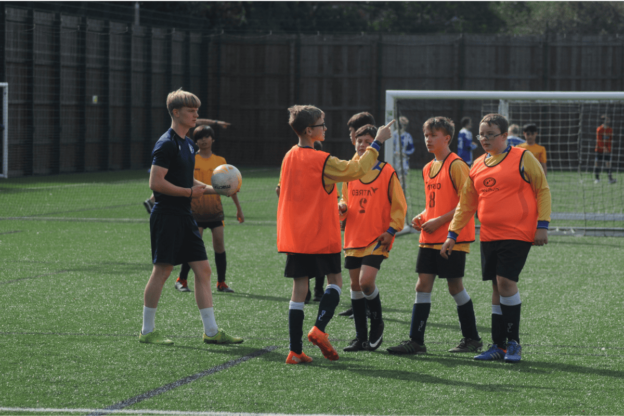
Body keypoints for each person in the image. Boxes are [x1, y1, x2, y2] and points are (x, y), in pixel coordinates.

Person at [277, 104, 394, 364]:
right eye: (322, 124)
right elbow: (357, 170)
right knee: (335, 282)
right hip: (320, 233)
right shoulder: (322, 159)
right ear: (309, 130)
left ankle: (295, 351)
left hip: (294, 235)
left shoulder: (288, 156)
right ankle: (319, 328)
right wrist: (376, 143)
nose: (325, 128)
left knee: (299, 290)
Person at [440, 113, 551, 364]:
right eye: (482, 134)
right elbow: (466, 204)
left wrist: (542, 225)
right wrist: (452, 234)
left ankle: (514, 343)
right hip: (489, 235)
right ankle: (498, 346)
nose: (485, 139)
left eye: (490, 134)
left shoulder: (523, 157)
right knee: (495, 287)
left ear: (504, 136)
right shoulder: (477, 164)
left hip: (518, 232)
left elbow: (542, 189)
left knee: (505, 283)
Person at [138, 89, 242, 346]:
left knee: (204, 270)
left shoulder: (187, 143)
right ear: (176, 113)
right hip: (167, 215)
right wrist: (188, 192)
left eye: (197, 109)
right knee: (162, 271)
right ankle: (147, 331)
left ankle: (211, 331)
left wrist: (217, 189)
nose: (197, 114)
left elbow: (188, 180)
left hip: (185, 216)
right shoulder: (166, 143)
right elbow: (156, 182)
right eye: (191, 110)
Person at [387, 116, 481, 356]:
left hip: (452, 237)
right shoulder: (429, 167)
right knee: (422, 285)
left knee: (454, 286)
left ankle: (472, 338)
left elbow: (467, 203)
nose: (428, 139)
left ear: (447, 138)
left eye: (433, 135)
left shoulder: (457, 165)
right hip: (429, 238)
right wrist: (423, 215)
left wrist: (439, 221)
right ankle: (416, 341)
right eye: (426, 135)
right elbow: (436, 204)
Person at [339, 124, 407, 352]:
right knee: (355, 287)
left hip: (378, 237)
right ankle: (360, 337)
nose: (362, 145)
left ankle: (377, 324)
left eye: (368, 142)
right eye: (359, 141)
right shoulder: (350, 172)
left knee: (366, 282)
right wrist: (341, 209)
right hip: (353, 236)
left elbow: (399, 205)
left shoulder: (386, 171)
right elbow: (346, 202)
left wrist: (392, 230)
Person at [174, 125, 244, 294]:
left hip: (215, 211)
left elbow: (230, 185)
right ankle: (181, 279)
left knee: (219, 245)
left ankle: (221, 283)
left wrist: (238, 209)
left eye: (207, 137)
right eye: (199, 137)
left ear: (213, 139)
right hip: (195, 212)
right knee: (193, 247)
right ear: (195, 141)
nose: (203, 140)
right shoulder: (191, 158)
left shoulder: (220, 161)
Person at [143, 118, 232, 214]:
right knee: (175, 176)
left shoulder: (187, 135)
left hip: (186, 149)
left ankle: (152, 200)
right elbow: (201, 121)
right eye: (191, 111)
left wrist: (220, 190)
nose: (195, 115)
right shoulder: (172, 138)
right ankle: (153, 200)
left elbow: (201, 121)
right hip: (181, 152)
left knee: (179, 177)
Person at [593, 115, 616, 184]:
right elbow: (599, 140)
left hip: (607, 150)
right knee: (597, 163)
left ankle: (610, 179)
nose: (608, 121)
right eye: (607, 119)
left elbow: (610, 140)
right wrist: (603, 147)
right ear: (604, 120)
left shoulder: (610, 130)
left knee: (608, 163)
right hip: (599, 149)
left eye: (609, 119)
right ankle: (597, 179)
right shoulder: (599, 129)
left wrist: (608, 148)